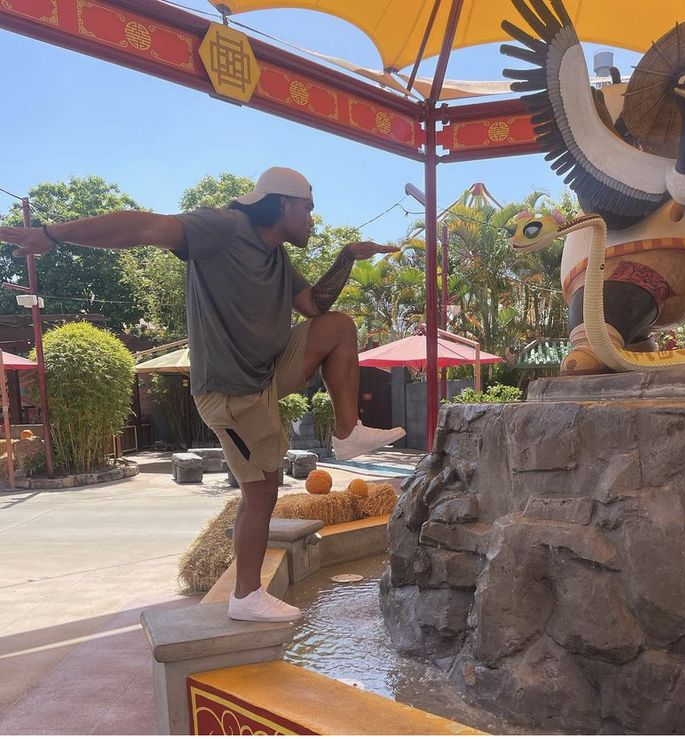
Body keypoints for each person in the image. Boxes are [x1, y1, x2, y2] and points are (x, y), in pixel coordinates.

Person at [0, 166, 405, 622]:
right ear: (282, 204)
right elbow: (143, 226)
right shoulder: (225, 228)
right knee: (262, 489)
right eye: (308, 209)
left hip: (268, 371)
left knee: (338, 328)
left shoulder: (276, 256)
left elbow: (313, 307)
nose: (313, 218)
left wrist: (348, 255)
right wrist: (53, 234)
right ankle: (246, 596)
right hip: (234, 392)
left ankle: (348, 431)